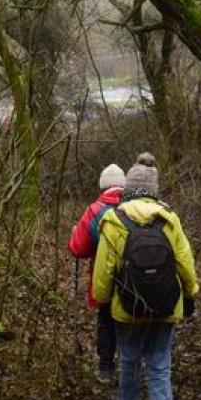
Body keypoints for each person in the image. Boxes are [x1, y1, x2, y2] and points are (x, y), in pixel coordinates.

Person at [92, 153, 198, 400]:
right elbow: (184, 262)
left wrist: (102, 299)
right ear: (154, 188)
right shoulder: (169, 218)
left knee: (128, 359)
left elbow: (104, 269)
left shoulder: (114, 220)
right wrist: (191, 293)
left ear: (128, 188)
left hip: (128, 306)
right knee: (159, 364)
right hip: (166, 304)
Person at [68, 163, 126, 382]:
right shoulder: (138, 206)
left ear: (103, 186)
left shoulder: (95, 210)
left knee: (106, 320)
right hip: (136, 278)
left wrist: (76, 233)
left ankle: (106, 368)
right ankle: (131, 368)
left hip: (105, 279)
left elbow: (78, 248)